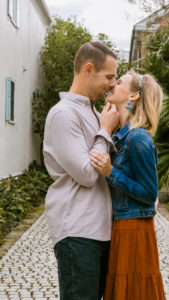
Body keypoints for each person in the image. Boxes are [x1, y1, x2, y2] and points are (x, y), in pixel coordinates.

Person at [43, 41, 120, 300]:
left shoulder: (94, 113)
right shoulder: (63, 114)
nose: (112, 84)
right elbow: (87, 174)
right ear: (88, 69)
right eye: (109, 77)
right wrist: (105, 130)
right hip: (77, 232)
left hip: (99, 230)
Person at [90, 71, 166, 300]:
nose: (113, 84)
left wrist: (111, 173)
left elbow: (150, 192)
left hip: (135, 228)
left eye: (119, 81)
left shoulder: (138, 139)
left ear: (133, 96)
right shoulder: (121, 138)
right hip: (121, 225)